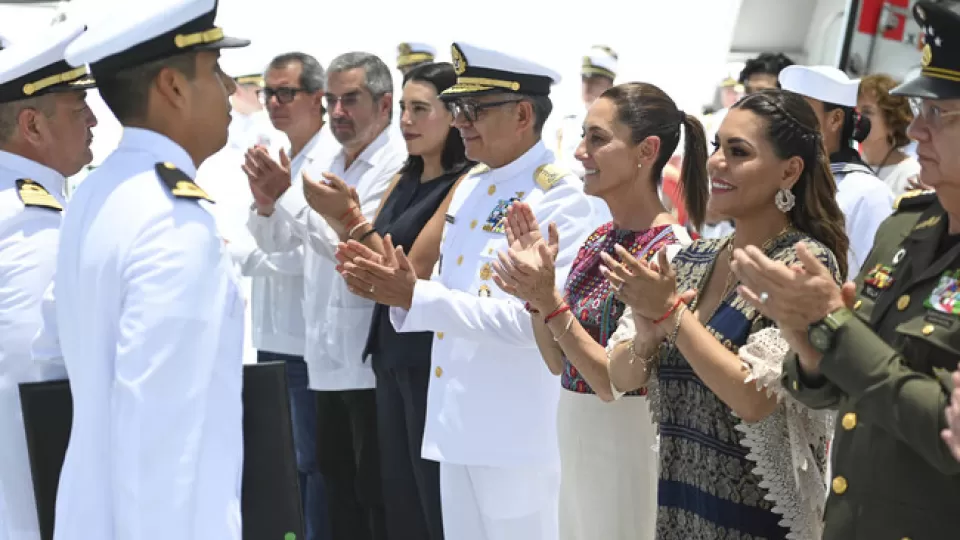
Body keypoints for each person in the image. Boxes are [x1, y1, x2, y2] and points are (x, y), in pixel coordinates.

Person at [335, 42, 596, 540]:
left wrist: (417, 296)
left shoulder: (563, 196)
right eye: (457, 109)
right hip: (457, 428)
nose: (459, 122)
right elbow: (453, 291)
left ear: (523, 114)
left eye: (474, 109)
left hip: (515, 436)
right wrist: (404, 290)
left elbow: (537, 320)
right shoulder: (475, 185)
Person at [734, 3, 960, 538]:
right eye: (917, 112)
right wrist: (807, 341)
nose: (917, 132)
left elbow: (942, 429)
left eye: (940, 115)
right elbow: (839, 393)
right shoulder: (906, 231)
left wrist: (833, 329)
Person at [605, 89, 847, 540]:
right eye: (718, 147)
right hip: (680, 509)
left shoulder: (803, 263)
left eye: (739, 152)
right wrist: (645, 336)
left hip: (757, 520)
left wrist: (672, 317)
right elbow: (619, 378)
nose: (717, 162)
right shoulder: (693, 258)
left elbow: (755, 397)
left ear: (789, 171)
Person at [51, 0, 249, 538]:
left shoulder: (100, 190)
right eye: (215, 70)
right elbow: (160, 436)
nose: (231, 88)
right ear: (174, 86)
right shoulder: (173, 219)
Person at [491, 82, 705, 540]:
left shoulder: (673, 251)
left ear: (647, 151)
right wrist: (535, 292)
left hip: (625, 449)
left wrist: (550, 301)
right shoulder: (597, 241)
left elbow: (612, 381)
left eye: (598, 139)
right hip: (580, 443)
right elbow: (556, 362)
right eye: (583, 137)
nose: (581, 153)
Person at [246, 51, 406, 540]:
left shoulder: (394, 164)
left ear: (384, 105)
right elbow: (278, 240)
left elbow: (349, 242)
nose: (338, 112)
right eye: (333, 101)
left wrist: (289, 197)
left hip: (366, 358)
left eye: (350, 100)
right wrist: (267, 202)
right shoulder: (326, 160)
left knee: (371, 496)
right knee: (335, 492)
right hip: (323, 355)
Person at [309, 61, 473, 540]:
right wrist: (350, 223)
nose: (406, 121)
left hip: (428, 360)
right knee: (392, 497)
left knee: (429, 500)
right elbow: (367, 258)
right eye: (403, 108)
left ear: (453, 115)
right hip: (388, 353)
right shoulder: (407, 178)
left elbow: (408, 269)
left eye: (420, 109)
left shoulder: (463, 184)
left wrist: (350, 219)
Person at [225, 52, 335, 540]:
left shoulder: (331, 158)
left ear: (317, 97)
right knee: (283, 464)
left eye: (286, 93)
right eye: (268, 93)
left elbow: (316, 255)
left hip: (308, 342)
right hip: (273, 334)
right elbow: (274, 237)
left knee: (312, 465)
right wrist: (266, 210)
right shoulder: (272, 148)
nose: (274, 103)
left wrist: (248, 256)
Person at [0, 22, 96, 540]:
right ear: (32, 126)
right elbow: (29, 385)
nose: (95, 122)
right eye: (79, 112)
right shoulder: (31, 221)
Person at [779, 64, 895, 279]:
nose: (784, 121)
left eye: (798, 111)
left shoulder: (868, 193)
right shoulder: (778, 176)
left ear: (835, 119)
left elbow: (871, 279)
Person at [549, 45, 618, 181]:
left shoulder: (619, 124)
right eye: (585, 80)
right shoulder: (562, 119)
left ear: (610, 86)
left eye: (596, 81)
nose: (588, 86)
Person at [857, 73, 923, 194]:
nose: (856, 116)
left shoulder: (910, 175)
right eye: (855, 109)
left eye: (867, 112)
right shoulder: (849, 165)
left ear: (891, 122)